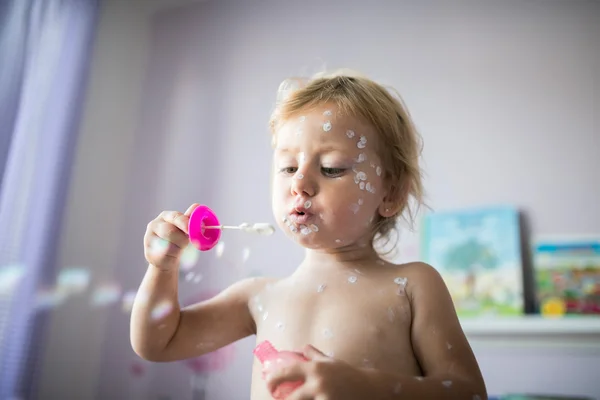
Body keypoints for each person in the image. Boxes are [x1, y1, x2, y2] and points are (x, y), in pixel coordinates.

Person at [130, 70, 487, 400]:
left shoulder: (412, 285)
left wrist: (365, 387)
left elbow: (468, 391)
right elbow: (160, 342)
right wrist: (162, 268)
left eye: (331, 168)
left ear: (390, 194)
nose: (299, 182)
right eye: (287, 166)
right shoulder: (257, 297)